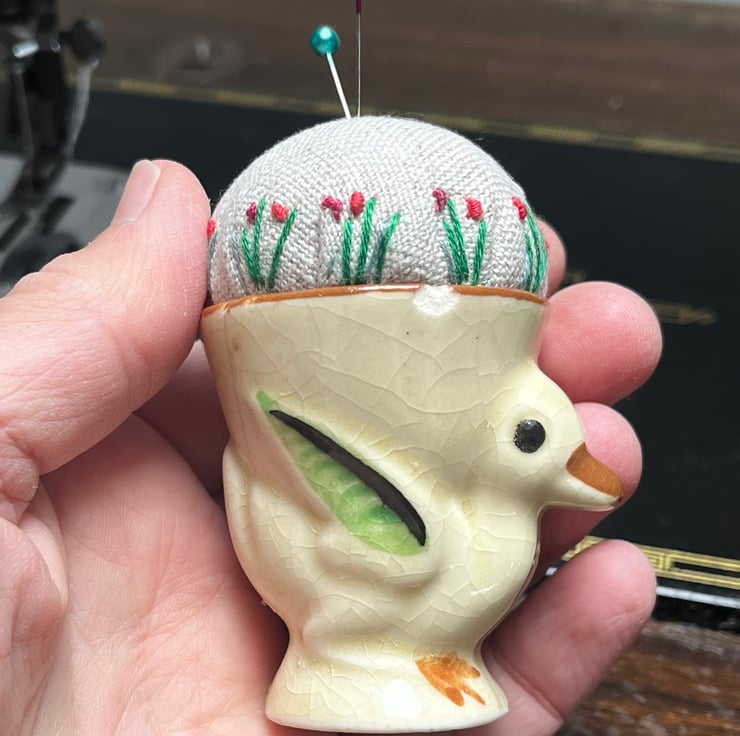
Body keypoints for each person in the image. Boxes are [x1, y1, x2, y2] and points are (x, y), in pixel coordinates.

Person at [1, 159, 662, 735]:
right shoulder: (426, 536)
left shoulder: (478, 525)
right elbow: (321, 463)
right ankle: (353, 664)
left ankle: (434, 663)